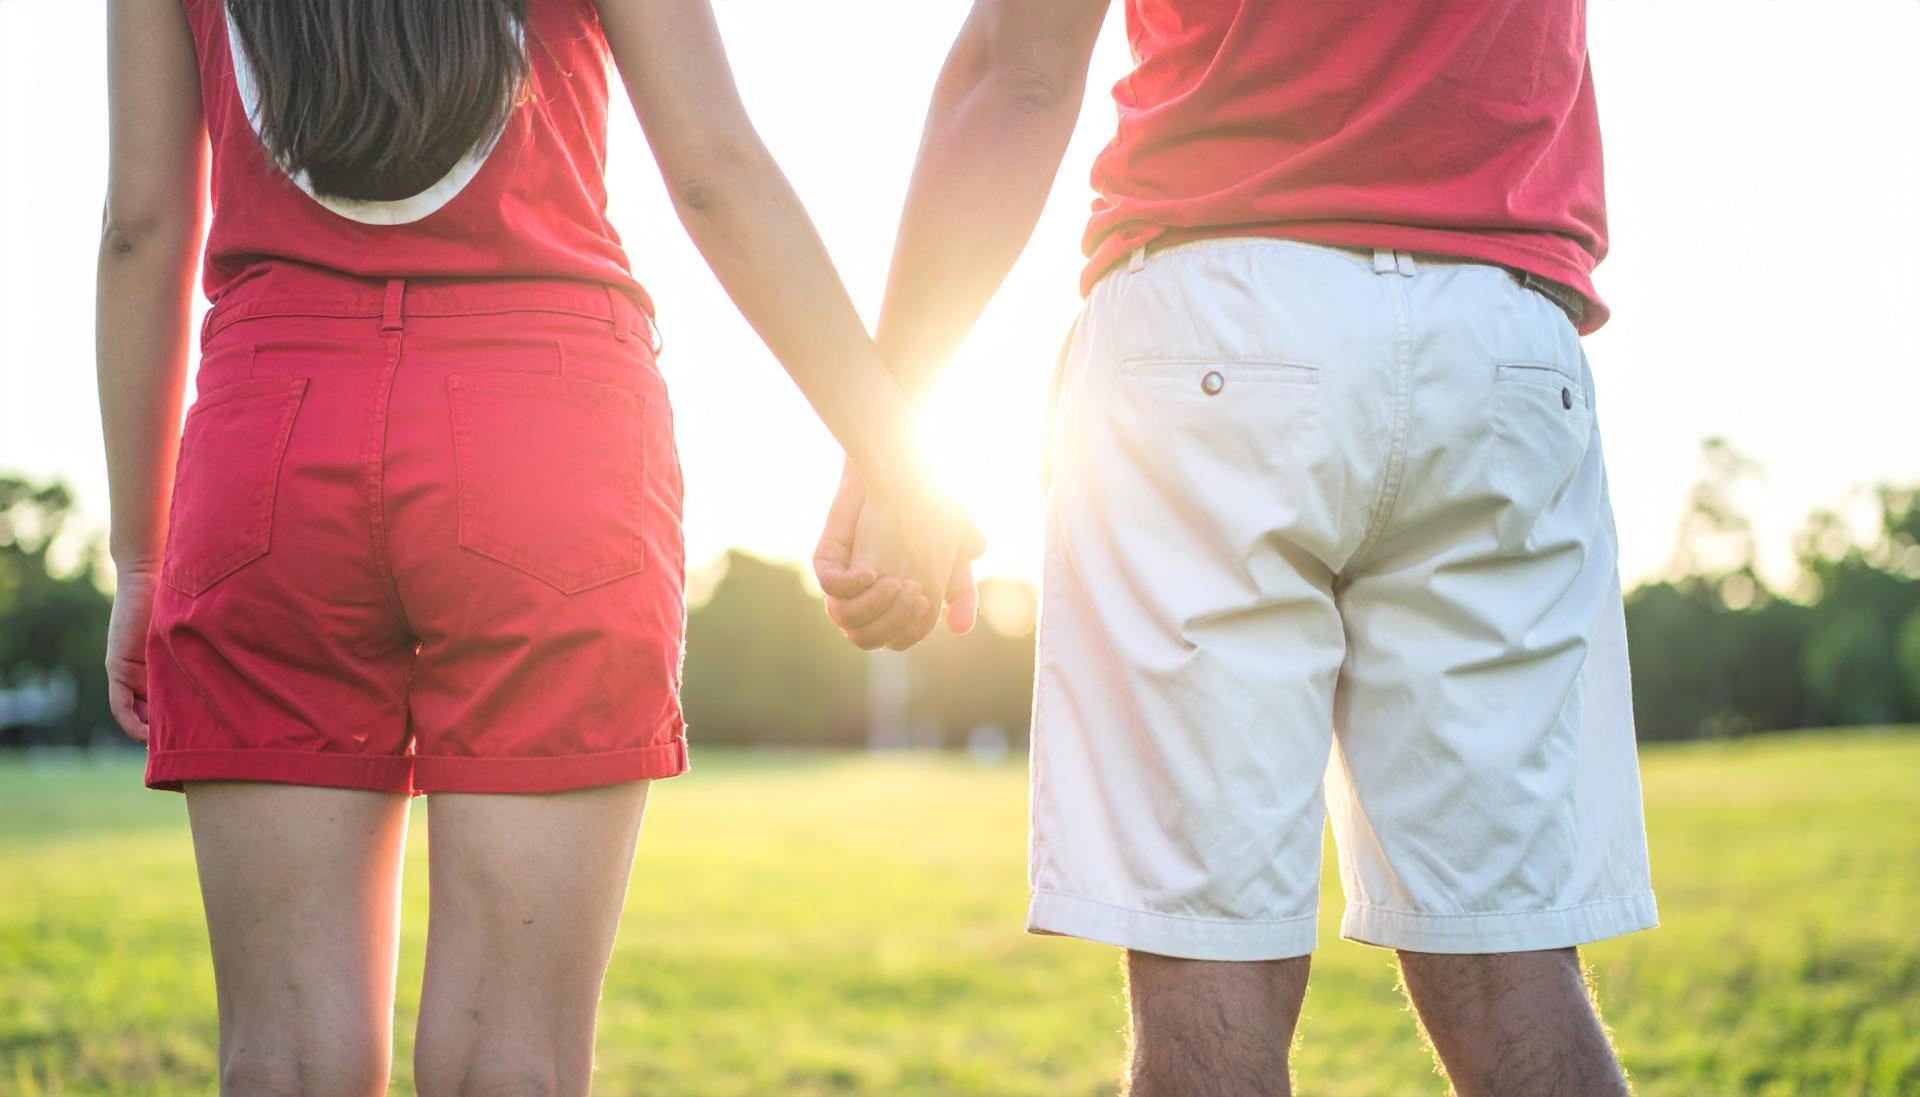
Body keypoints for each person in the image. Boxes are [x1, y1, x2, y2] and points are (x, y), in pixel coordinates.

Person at [96, 0, 976, 1092]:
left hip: (272, 434)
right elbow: (713, 171)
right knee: (515, 1059)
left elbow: (141, 227)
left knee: (282, 1057)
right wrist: (896, 454)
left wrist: (140, 559)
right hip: (547, 433)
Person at [814, 1, 1657, 1094]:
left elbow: (1015, 74)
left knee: (1206, 962)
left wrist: (889, 431)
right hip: (1500, 335)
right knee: (1515, 959)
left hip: (1218, 326)